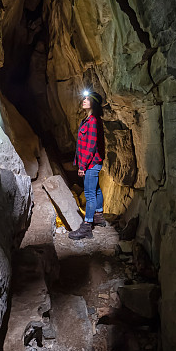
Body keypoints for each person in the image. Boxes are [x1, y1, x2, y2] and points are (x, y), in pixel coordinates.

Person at [68, 90, 106, 240]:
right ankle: (99, 216)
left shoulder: (93, 121)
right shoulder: (89, 120)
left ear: (93, 103)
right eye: (84, 98)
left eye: (87, 99)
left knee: (89, 193)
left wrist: (82, 166)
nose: (84, 100)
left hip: (91, 163)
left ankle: (87, 226)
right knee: (95, 189)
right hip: (92, 162)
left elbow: (91, 146)